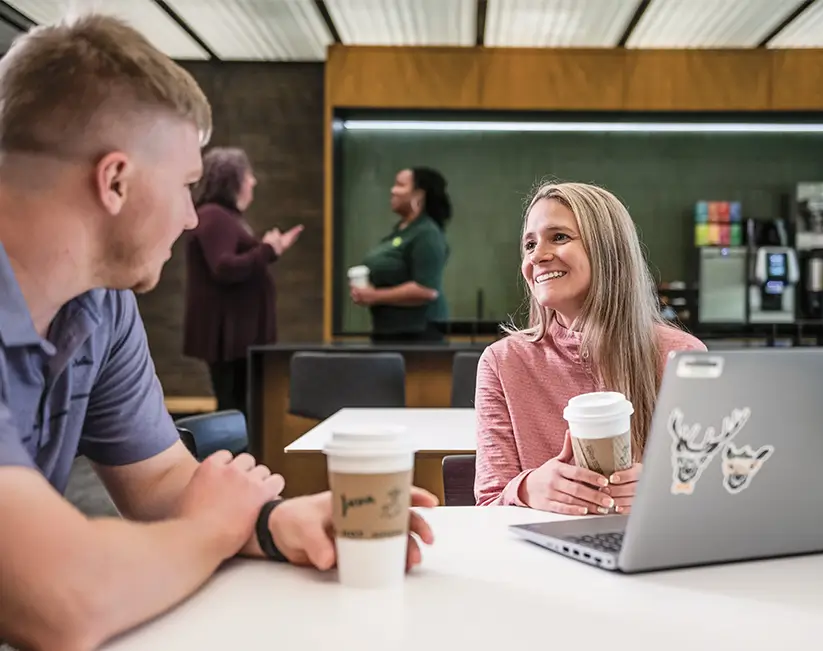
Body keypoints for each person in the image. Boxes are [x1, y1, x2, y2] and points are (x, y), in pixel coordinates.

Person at [0, 14, 436, 651]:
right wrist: (212, 528)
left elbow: (161, 482)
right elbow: (61, 599)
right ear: (114, 181)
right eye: (183, 186)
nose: (187, 218)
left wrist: (271, 522)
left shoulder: (101, 307)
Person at [473, 182, 707, 515]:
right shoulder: (502, 362)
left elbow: (711, 493)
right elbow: (489, 502)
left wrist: (663, 489)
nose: (537, 255)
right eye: (529, 244)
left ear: (608, 250)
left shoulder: (682, 357)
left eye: (559, 237)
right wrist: (527, 489)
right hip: (540, 559)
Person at [183, 146, 302, 416]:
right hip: (229, 336)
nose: (254, 182)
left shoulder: (224, 217)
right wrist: (268, 250)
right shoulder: (215, 216)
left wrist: (270, 249)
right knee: (235, 407)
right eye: (248, 175)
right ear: (233, 180)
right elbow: (224, 267)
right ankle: (235, 456)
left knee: (240, 404)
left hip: (236, 335)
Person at [350, 167, 451, 342]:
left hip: (417, 337)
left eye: (400, 185)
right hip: (388, 332)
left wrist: (373, 296)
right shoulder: (400, 232)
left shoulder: (427, 233)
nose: (392, 190)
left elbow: (426, 290)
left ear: (418, 195)